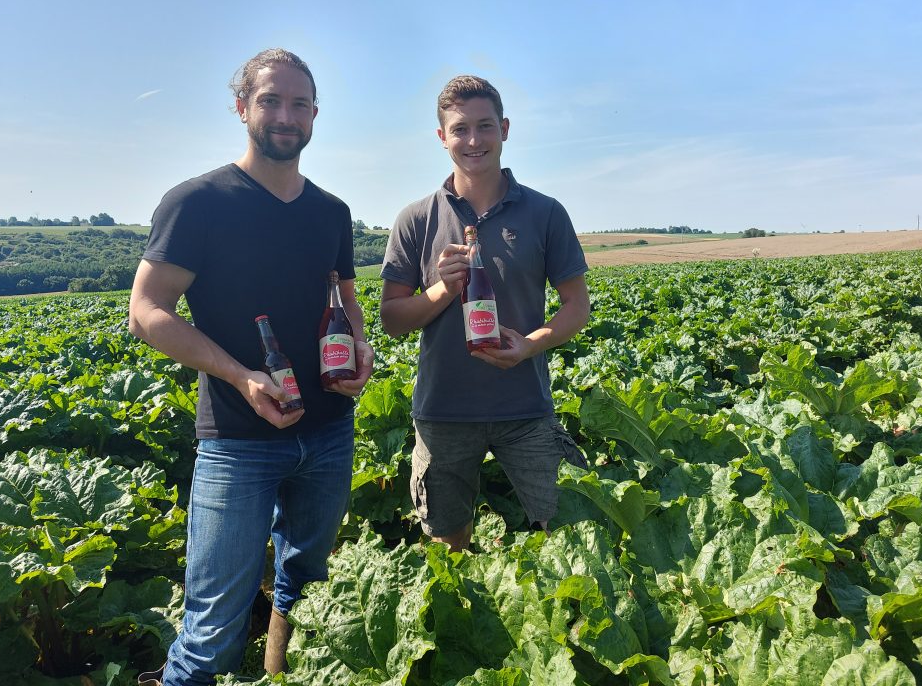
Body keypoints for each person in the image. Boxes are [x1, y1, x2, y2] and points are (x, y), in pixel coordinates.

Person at [128, 48, 373, 686]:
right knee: (211, 627)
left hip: (327, 433)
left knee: (308, 591)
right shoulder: (199, 203)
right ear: (243, 108)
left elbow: (343, 296)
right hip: (238, 440)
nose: (285, 115)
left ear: (316, 115)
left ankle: (280, 673)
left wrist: (363, 349)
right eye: (270, 100)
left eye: (299, 104)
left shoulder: (332, 212)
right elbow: (147, 312)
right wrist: (240, 375)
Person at [380, 75, 589, 552]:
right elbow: (391, 320)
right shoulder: (416, 218)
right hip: (443, 413)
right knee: (448, 541)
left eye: (485, 126)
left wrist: (531, 344)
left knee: (568, 533)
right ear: (442, 137)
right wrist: (440, 290)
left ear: (505, 129)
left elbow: (577, 305)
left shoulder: (545, 212)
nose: (473, 140)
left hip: (527, 409)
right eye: (460, 129)